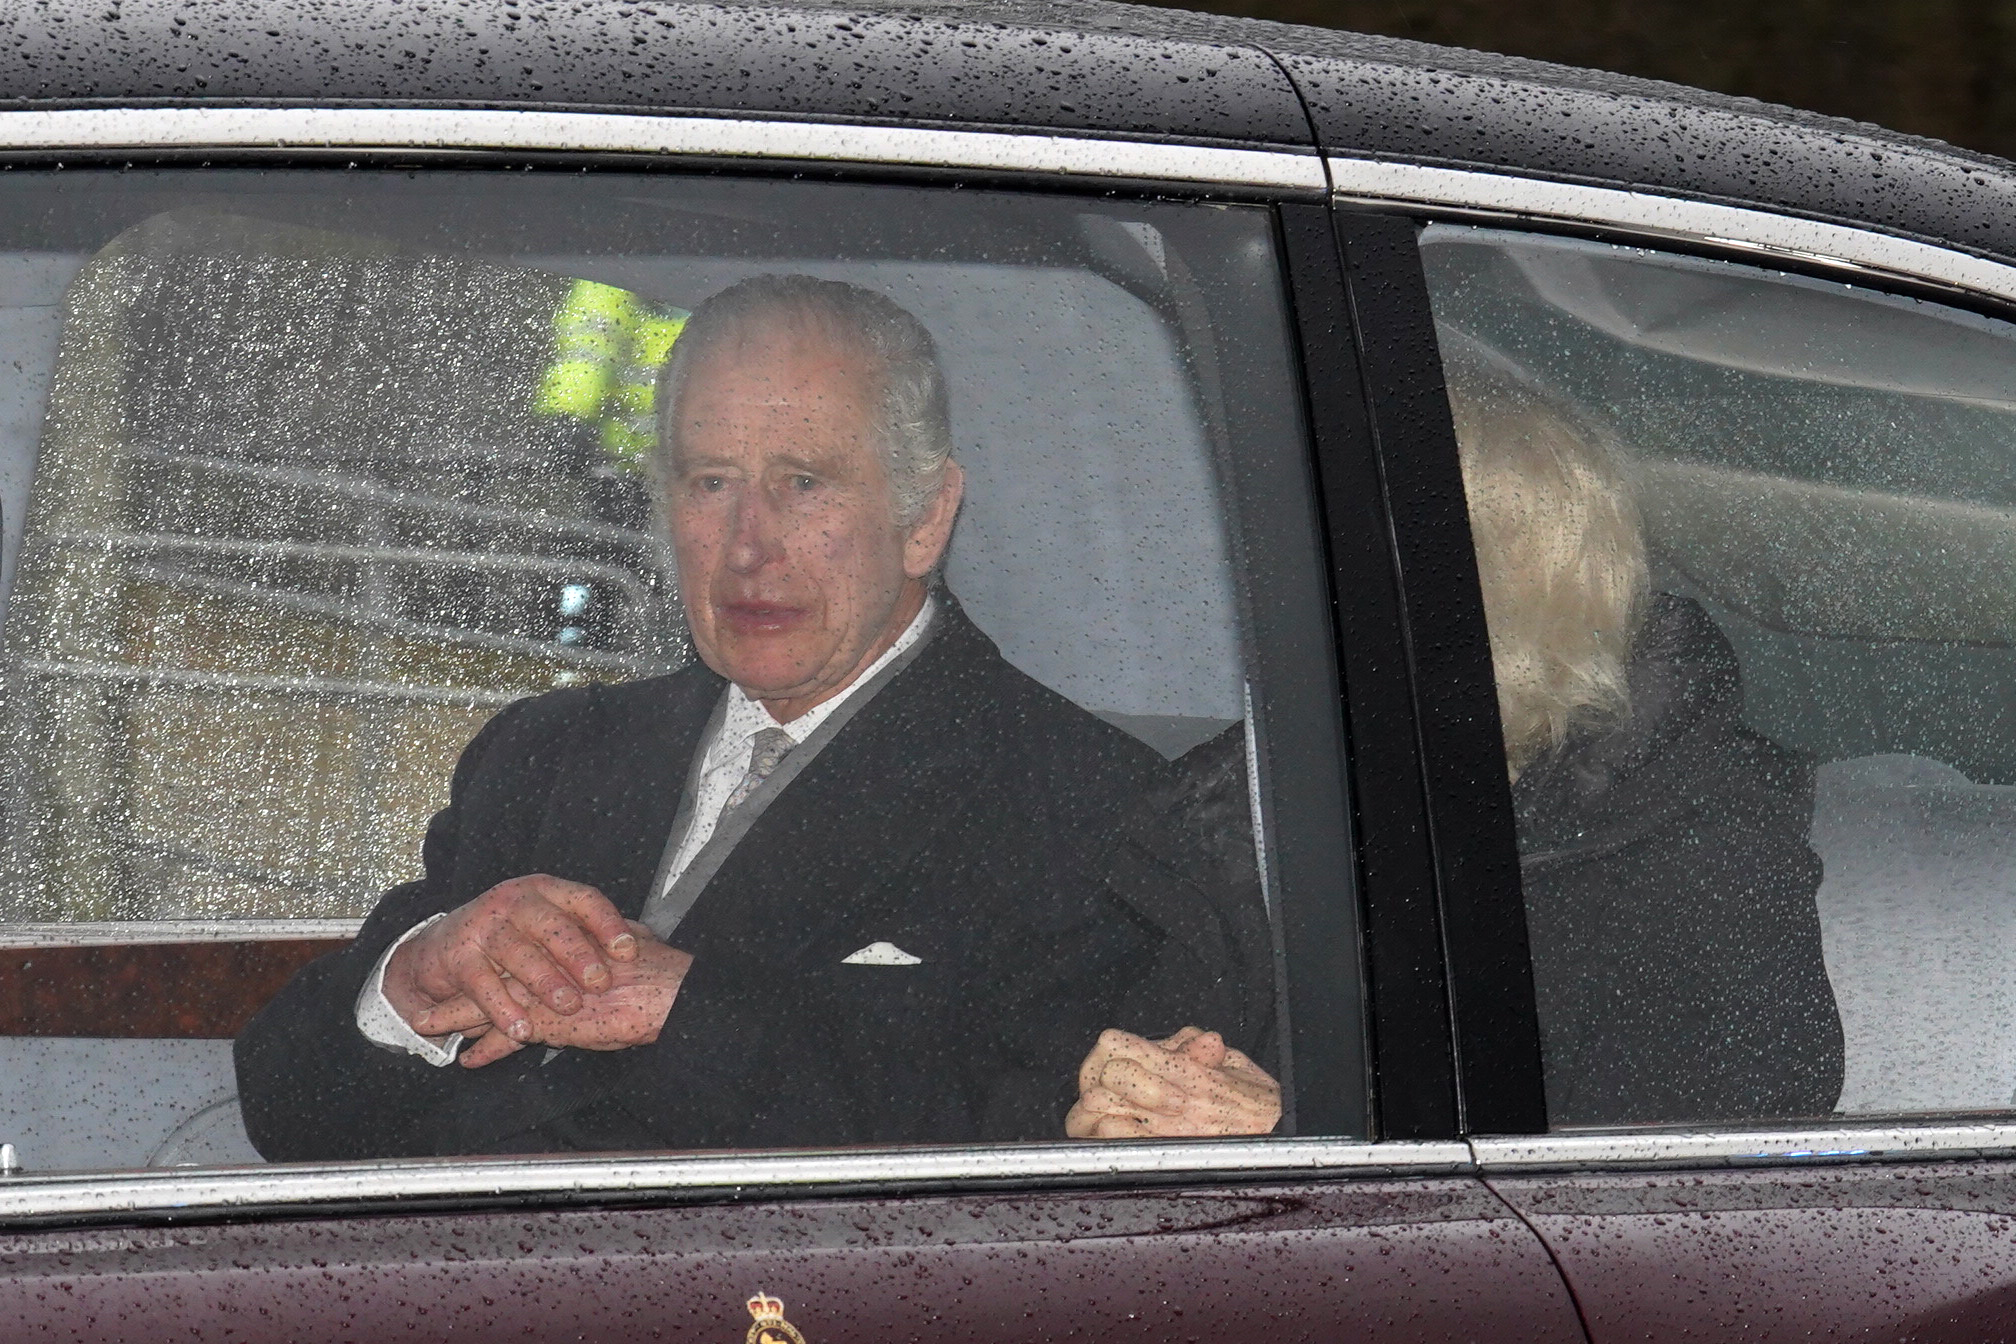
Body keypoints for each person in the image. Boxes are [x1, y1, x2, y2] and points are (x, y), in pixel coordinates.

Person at [235, 274, 1178, 1157]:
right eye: (710, 482)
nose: (747, 547)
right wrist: (411, 985)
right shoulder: (547, 753)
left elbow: (1043, 1139)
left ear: (925, 516)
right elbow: (287, 1113)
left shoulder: (1094, 808)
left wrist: (689, 1012)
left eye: (803, 482)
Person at [1069, 339, 1844, 1137]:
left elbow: (1670, 1205)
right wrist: (1120, 1109)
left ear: (1484, 599)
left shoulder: (1705, 864)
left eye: (1342, 552)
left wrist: (1300, 1135)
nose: (1290, 594)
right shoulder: (1235, 817)